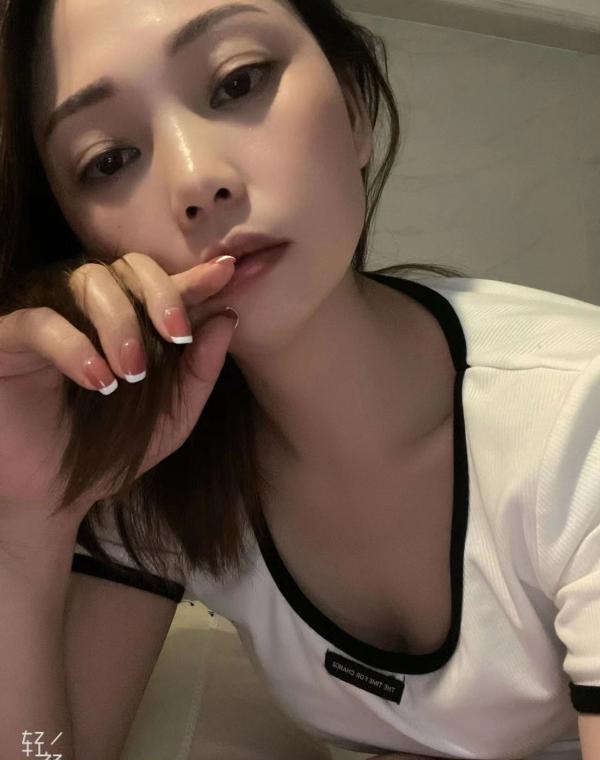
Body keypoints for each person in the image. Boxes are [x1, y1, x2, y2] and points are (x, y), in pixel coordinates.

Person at [0, 0, 598, 758]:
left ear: (354, 105)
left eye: (237, 82)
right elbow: (44, 751)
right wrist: (27, 524)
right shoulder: (159, 463)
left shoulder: (575, 419)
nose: (197, 180)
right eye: (110, 159)